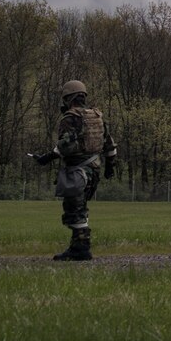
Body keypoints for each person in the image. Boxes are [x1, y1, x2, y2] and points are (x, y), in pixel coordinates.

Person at [34, 79, 114, 261]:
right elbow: (110, 145)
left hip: (78, 172)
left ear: (67, 99)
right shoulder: (97, 116)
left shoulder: (70, 118)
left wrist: (47, 157)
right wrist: (110, 167)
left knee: (74, 209)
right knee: (79, 208)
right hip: (94, 171)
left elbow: (65, 145)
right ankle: (77, 246)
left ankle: (81, 249)